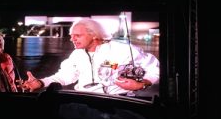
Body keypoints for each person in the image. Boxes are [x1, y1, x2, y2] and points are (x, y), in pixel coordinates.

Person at [20, 18, 159, 95]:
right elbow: (64, 76)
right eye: (71, 36)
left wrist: (142, 83)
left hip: (119, 102)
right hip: (84, 102)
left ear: (94, 35)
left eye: (77, 35)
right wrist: (41, 82)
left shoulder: (122, 49)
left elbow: (155, 69)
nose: (72, 39)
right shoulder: (77, 55)